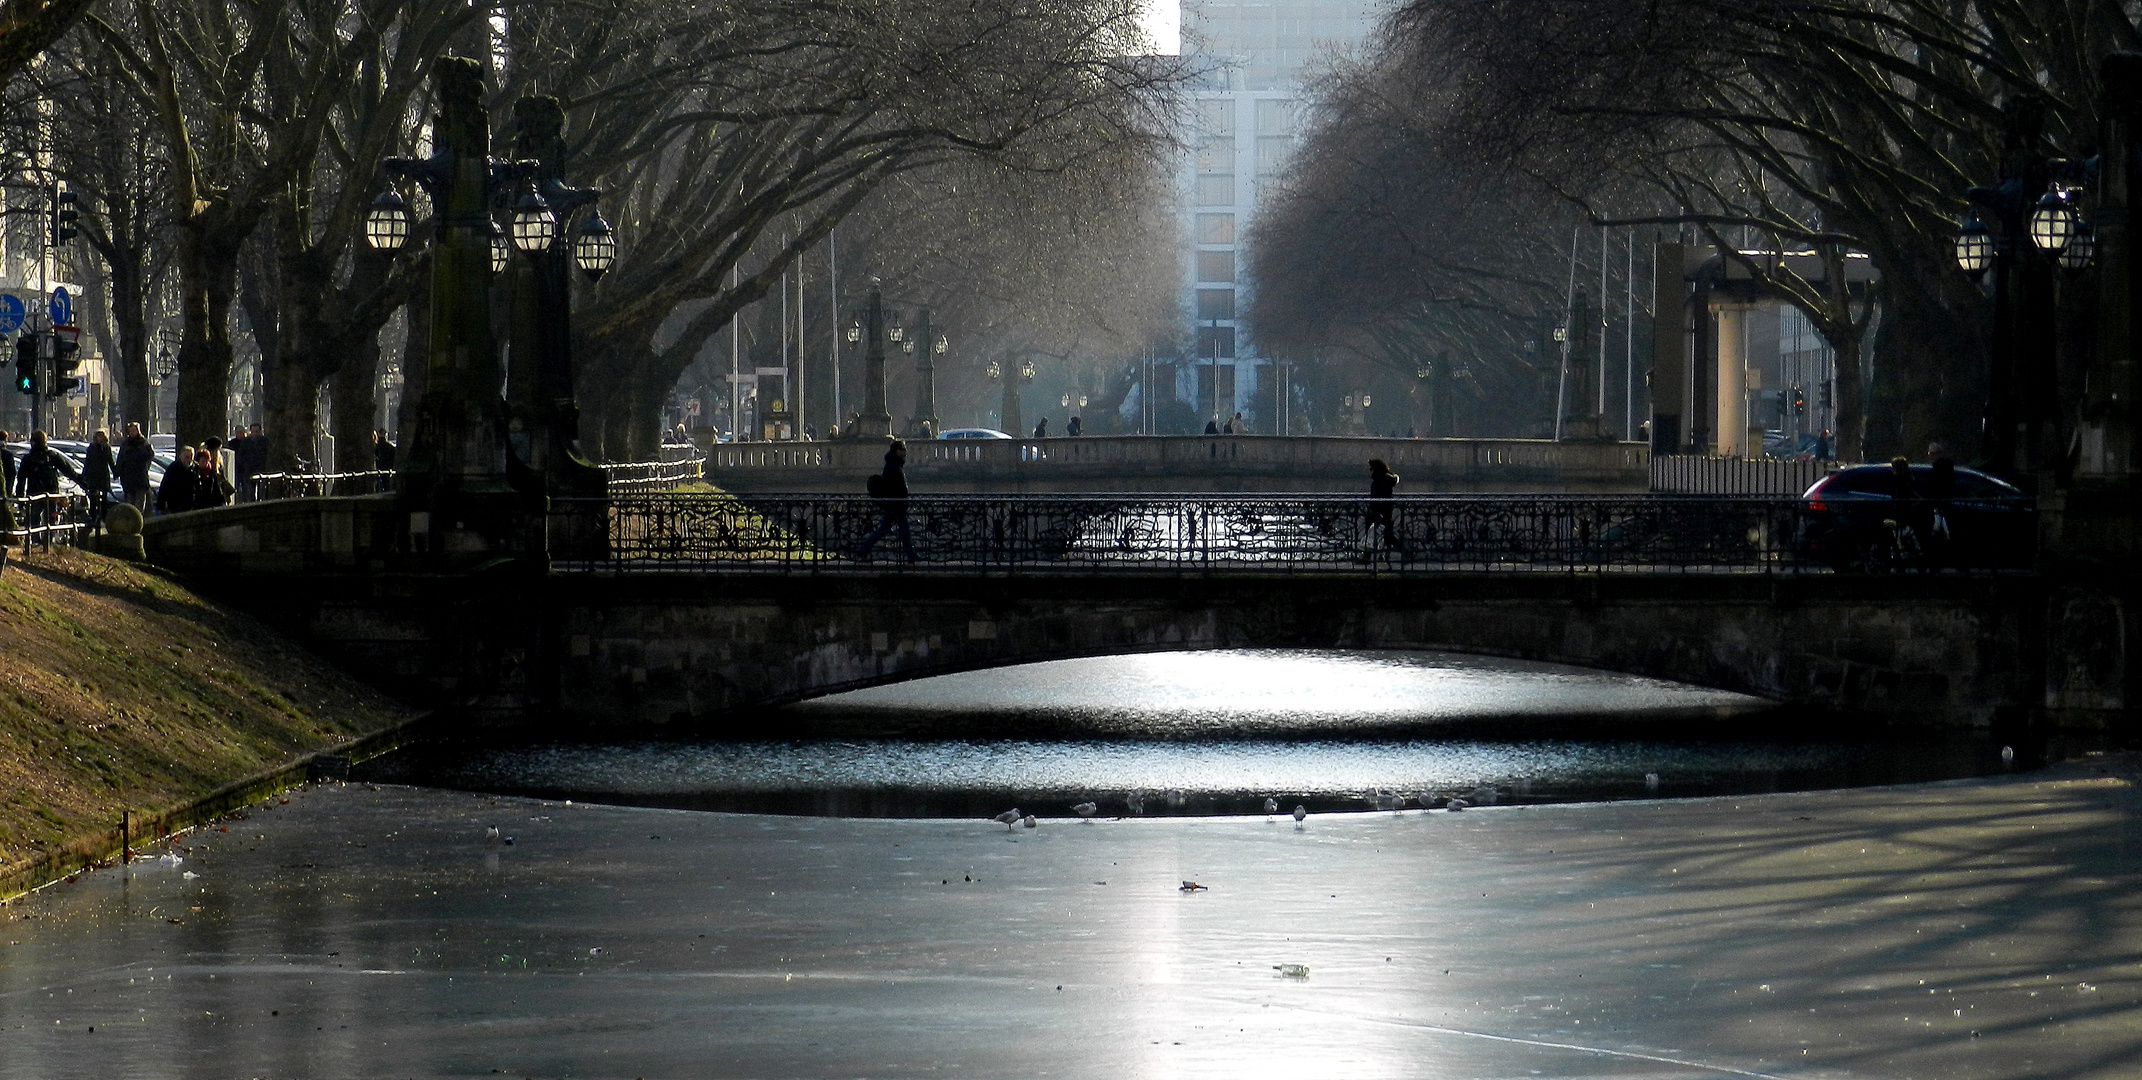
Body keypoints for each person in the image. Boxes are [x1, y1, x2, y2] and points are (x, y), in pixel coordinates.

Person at [17, 431, 81, 544]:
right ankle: (48, 540)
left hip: (34, 491)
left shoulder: (28, 458)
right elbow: (68, 470)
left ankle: (36, 540)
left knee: (34, 517)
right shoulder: (52, 456)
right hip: (52, 491)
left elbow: (21, 479)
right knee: (51, 516)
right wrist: (82, 482)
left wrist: (20, 498)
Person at [856, 438, 914, 561]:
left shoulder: (893, 464)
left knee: (893, 530)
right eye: (903, 449)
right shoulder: (893, 466)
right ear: (897, 451)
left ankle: (864, 549)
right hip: (895, 504)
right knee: (899, 531)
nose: (905, 452)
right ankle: (910, 555)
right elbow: (895, 486)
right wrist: (901, 497)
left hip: (895, 504)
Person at [82, 430, 115, 531]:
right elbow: (87, 462)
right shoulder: (92, 448)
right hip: (93, 476)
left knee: (104, 499)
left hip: (103, 476)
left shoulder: (106, 448)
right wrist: (84, 476)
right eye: (98, 437)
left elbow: (110, 461)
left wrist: (115, 472)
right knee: (93, 499)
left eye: (101, 437)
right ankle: (93, 518)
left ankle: (103, 518)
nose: (99, 439)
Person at [117, 423, 154, 511]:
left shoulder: (144, 443)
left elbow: (150, 455)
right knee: (129, 505)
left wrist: (139, 458)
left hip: (140, 479)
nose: (132, 433)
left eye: (134, 430)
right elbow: (120, 459)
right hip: (128, 480)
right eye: (131, 431)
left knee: (139, 505)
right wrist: (118, 471)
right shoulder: (126, 444)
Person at [1367, 458, 1402, 553]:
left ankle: (1368, 556)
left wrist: (1375, 510)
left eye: (1371, 469)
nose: (1370, 471)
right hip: (1385, 510)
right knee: (1384, 535)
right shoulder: (1386, 479)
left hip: (1380, 512)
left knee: (1374, 533)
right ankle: (1405, 551)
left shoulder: (1379, 480)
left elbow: (1377, 496)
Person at [154, 446, 197, 515]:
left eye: (191, 457)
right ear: (180, 456)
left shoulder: (195, 469)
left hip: (191, 504)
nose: (188, 460)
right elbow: (165, 486)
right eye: (186, 457)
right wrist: (160, 505)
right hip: (176, 504)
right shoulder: (173, 469)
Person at [233, 422, 268, 500]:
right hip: (249, 470)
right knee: (250, 492)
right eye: (253, 431)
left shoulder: (265, 441)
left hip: (261, 469)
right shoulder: (245, 442)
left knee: (261, 491)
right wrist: (245, 464)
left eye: (257, 431)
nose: (255, 434)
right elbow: (240, 455)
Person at [194, 441, 233, 508]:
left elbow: (218, 488)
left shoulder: (213, 471)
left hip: (214, 502)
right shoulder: (195, 472)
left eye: (206, 461)